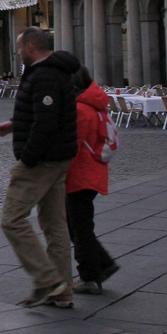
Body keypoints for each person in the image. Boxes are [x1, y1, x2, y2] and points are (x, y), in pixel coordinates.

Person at [0, 28, 79, 309]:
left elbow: (46, 123)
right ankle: (62, 291)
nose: (18, 53)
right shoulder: (54, 72)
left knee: (12, 219)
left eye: (19, 48)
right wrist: (15, 124)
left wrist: (27, 160)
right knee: (54, 225)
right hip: (58, 157)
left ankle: (47, 280)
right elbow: (45, 113)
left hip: (42, 160)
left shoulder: (45, 75)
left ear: (30, 46)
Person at [66, 65, 118, 296]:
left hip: (81, 174)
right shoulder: (96, 105)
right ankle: (103, 265)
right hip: (95, 170)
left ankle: (89, 275)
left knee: (79, 228)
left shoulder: (80, 109)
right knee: (79, 225)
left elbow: (72, 144)